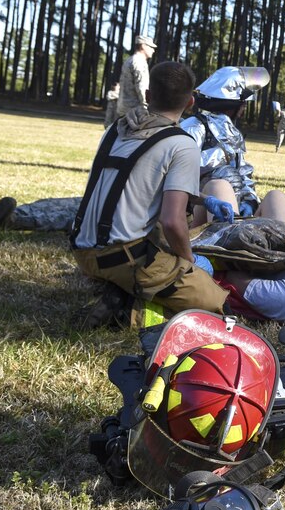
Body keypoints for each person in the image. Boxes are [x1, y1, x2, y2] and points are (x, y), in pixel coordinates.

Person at [71, 61, 230, 328]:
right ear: (191, 102)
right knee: (215, 304)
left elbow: (139, 181)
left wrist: (203, 200)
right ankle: (129, 310)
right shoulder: (181, 144)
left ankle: (119, 289)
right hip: (123, 258)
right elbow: (172, 221)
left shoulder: (116, 129)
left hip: (83, 251)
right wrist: (189, 262)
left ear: (147, 96)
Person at [180, 66, 272, 220]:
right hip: (200, 208)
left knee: (275, 196)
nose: (243, 109)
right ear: (233, 104)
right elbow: (179, 179)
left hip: (233, 206)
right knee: (219, 185)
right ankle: (232, 237)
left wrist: (250, 201)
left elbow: (242, 171)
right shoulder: (195, 126)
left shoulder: (232, 132)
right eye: (243, 104)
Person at [114, 35, 156, 119]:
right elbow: (142, 88)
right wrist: (148, 107)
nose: (153, 50)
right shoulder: (139, 62)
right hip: (135, 112)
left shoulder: (129, 60)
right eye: (151, 47)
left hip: (123, 108)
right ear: (143, 46)